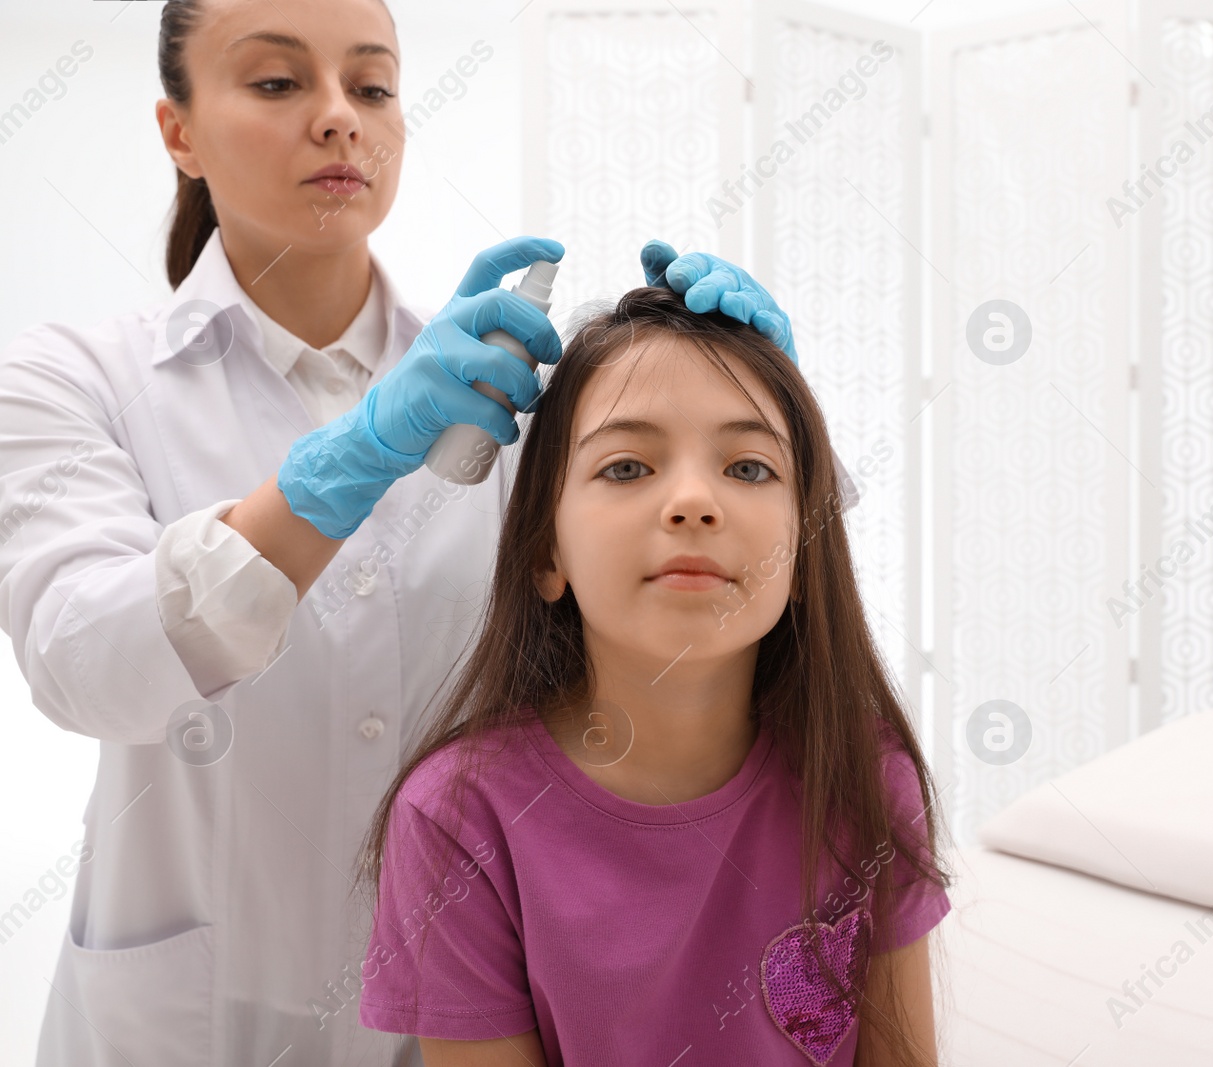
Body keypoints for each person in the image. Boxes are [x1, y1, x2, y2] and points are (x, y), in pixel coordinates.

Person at [0, 0, 853, 1064]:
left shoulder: (503, 391)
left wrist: (765, 414)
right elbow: (87, 664)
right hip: (185, 1017)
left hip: (460, 1009)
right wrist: (340, 466)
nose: (337, 120)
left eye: (370, 86)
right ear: (178, 130)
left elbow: (690, 606)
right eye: (276, 82)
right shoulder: (72, 379)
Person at [354, 284, 952, 1067]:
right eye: (628, 465)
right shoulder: (457, 820)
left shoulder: (867, 777)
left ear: (805, 552)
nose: (694, 501)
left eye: (748, 465)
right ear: (546, 552)